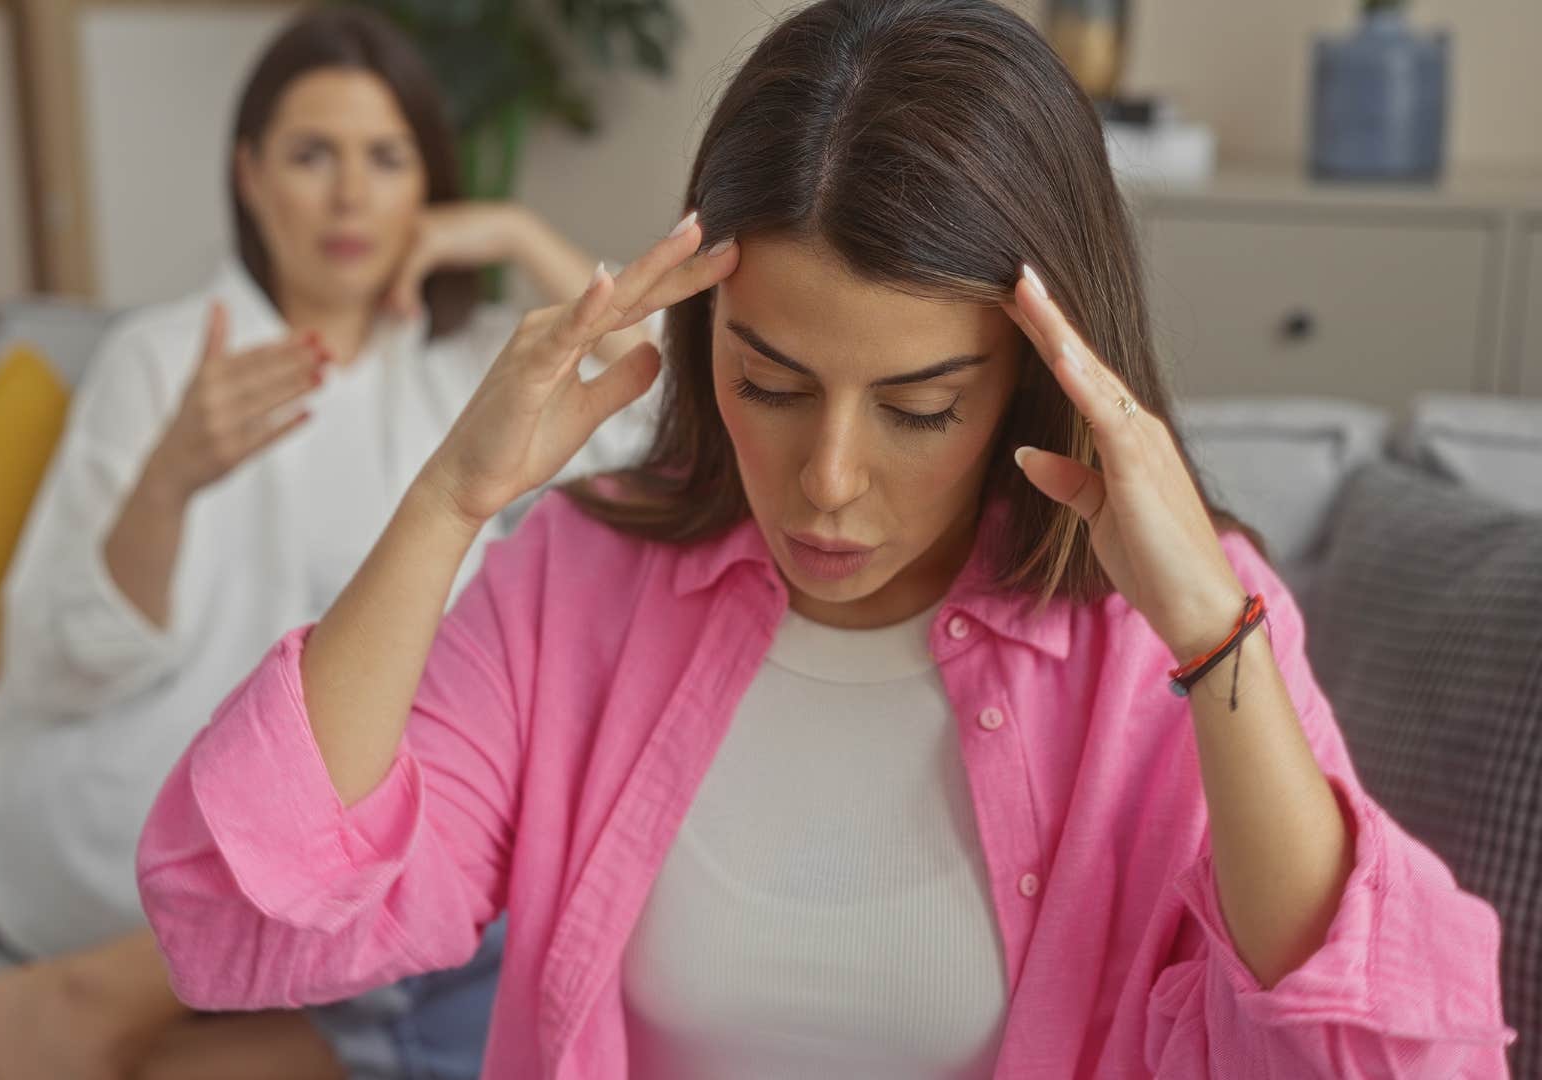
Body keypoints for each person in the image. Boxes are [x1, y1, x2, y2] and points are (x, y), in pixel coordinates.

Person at [135, 0, 1518, 1077]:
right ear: (704, 336)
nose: (827, 483)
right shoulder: (579, 583)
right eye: (771, 384)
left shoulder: (1171, 633)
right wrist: (448, 501)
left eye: (921, 407)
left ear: (1031, 380)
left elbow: (1382, 1054)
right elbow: (240, 915)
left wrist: (1215, 635)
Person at [0, 8, 656, 1079]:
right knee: (333, 875)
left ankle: (30, 1040)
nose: (350, 194)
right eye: (312, 155)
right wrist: (165, 484)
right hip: (156, 790)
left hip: (360, 809)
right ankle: (100, 994)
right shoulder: (162, 360)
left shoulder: (468, 368)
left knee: (406, 927)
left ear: (428, 186)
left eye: (386, 158)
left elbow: (665, 415)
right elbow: (61, 652)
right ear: (251, 176)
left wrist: (517, 236)